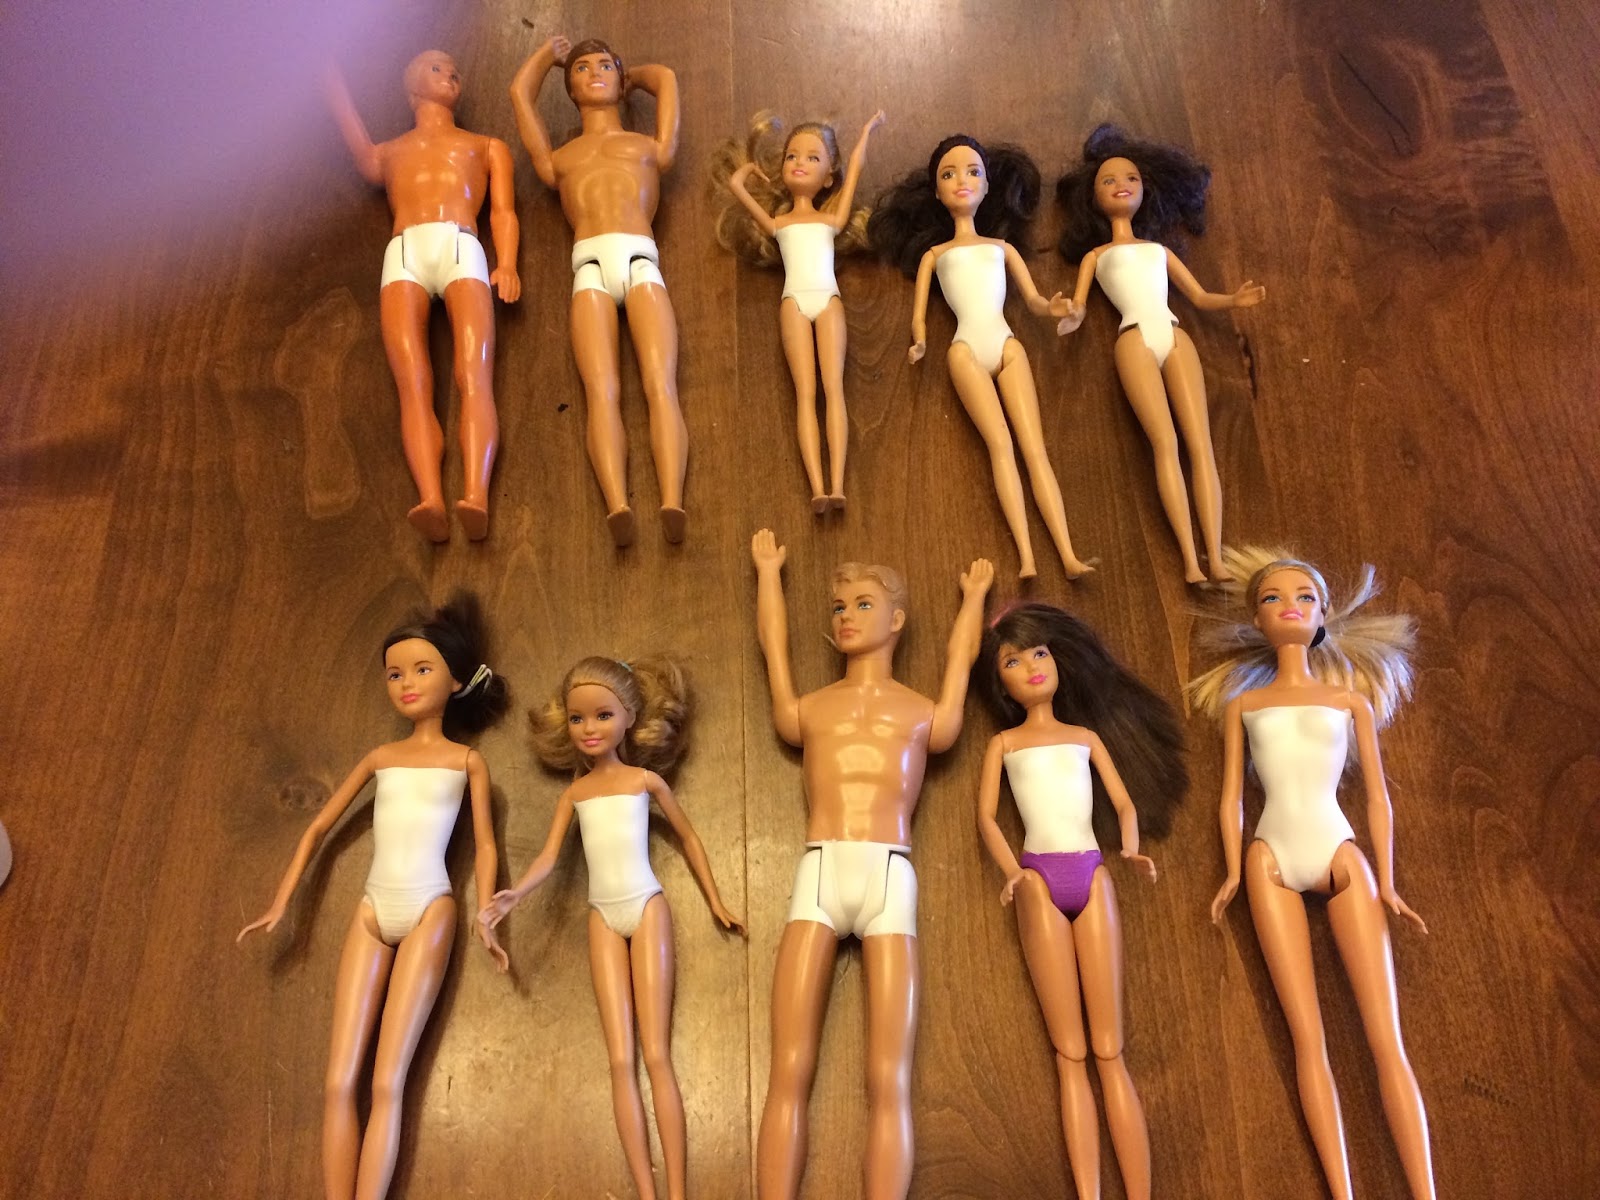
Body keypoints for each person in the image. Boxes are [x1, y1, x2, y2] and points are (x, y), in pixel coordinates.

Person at [237, 593, 511, 1200]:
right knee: (338, 1082)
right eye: (394, 674)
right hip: (370, 909)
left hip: (430, 909)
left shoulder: (467, 761)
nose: (406, 683)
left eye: (421, 669)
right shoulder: (380, 757)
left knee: (388, 1082)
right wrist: (281, 902)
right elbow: (318, 827)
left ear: (455, 681)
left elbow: (486, 845)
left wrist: (488, 913)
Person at [750, 528, 994, 1200]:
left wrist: (974, 600)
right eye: (838, 607)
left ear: (897, 620)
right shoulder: (808, 711)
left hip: (890, 873)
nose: (846, 617)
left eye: (863, 604)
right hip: (820, 870)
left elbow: (962, 660)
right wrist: (768, 577)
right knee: (788, 1069)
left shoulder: (924, 715)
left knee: (890, 1079)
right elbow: (774, 647)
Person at [1190, 548, 1435, 1199]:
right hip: (1269, 857)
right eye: (1272, 598)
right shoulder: (1243, 706)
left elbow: (1378, 797)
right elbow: (1230, 797)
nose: (1289, 606)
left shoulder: (1349, 702)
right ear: (1257, 620)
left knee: (1386, 1039)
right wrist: (1232, 873)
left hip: (1340, 852)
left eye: (1304, 597)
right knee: (1308, 1039)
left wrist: (1388, 881)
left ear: (1324, 614)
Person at [479, 656, 743, 1200]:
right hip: (601, 914)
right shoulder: (574, 795)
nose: (590, 728)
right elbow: (549, 857)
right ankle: (647, 1192)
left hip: (646, 907)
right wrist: (516, 894)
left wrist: (714, 899)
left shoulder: (645, 782)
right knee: (620, 1059)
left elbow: (688, 837)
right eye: (578, 718)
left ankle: (677, 1192)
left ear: (630, 718)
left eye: (603, 715)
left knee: (656, 1054)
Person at [975, 603, 1186, 1200]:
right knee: (1069, 1052)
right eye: (1013, 662)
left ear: (1059, 659)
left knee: (1109, 1049)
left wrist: (1132, 849)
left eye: (1039, 653)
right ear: (1001, 684)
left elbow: (1122, 802)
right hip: (1038, 881)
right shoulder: (1003, 744)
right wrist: (1012, 873)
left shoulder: (1085, 739)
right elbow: (986, 818)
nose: (1031, 667)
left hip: (1093, 876)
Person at [871, 135, 1093, 580]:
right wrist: (919, 342)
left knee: (1035, 449)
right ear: (936, 193)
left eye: (973, 171)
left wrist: (1053, 307)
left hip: (1007, 344)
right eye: (948, 174)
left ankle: (1068, 555)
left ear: (988, 185)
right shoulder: (935, 256)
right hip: (965, 351)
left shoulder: (1002, 248)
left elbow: (1033, 300)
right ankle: (1027, 556)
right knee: (1001, 446)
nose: (962, 180)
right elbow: (919, 316)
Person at [1056, 125, 1264, 582]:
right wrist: (1071, 314)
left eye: (1130, 178)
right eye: (1108, 181)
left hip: (1174, 333)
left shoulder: (1159, 250)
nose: (1121, 185)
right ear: (1093, 197)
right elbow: (1081, 304)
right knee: (1164, 443)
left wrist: (1232, 299)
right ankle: (1190, 560)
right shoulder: (1095, 256)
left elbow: (1199, 296)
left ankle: (1215, 556)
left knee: (1200, 442)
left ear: (1145, 189)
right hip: (1132, 339)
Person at [326, 52, 520, 542]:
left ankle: (475, 494)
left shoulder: (486, 146)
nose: (450, 73)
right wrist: (330, 81)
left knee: (473, 374)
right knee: (412, 382)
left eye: (454, 70)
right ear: (411, 85)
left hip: (462, 246)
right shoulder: (390, 152)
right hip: (405, 253)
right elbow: (360, 148)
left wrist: (507, 263)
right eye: (436, 68)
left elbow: (503, 213)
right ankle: (430, 497)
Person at [509, 35, 686, 546]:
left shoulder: (649, 148)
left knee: (661, 383)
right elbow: (519, 94)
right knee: (600, 391)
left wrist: (630, 77)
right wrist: (547, 56)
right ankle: (617, 505)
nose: (594, 74)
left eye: (605, 66)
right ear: (569, 89)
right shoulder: (560, 159)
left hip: (641, 262)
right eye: (582, 69)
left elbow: (666, 78)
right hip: (587, 269)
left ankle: (672, 498)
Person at [712, 109, 884, 512]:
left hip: (828, 300)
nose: (799, 163)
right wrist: (746, 175)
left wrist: (867, 130)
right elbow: (737, 188)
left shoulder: (832, 219)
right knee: (805, 394)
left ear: (829, 178)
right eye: (791, 156)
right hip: (792, 302)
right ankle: (817, 488)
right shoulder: (778, 223)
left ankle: (837, 484)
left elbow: (856, 166)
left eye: (813, 157)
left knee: (833, 388)